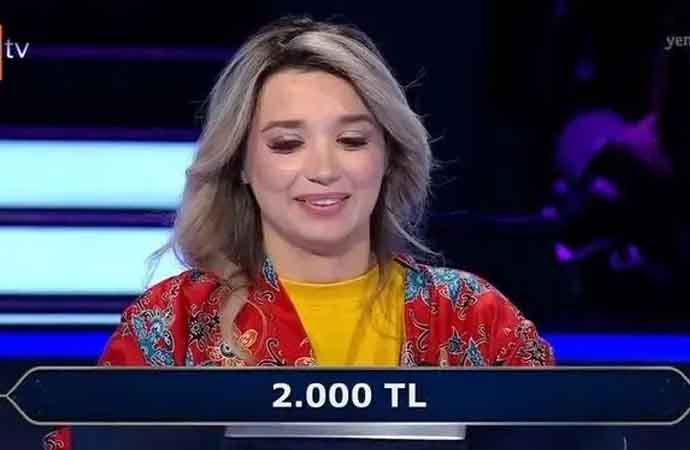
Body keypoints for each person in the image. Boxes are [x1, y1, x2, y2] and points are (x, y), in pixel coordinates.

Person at [43, 16, 555, 450]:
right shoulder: (171, 323)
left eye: (352, 140)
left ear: (389, 155)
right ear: (241, 164)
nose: (324, 170)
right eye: (287, 144)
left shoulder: (470, 316)